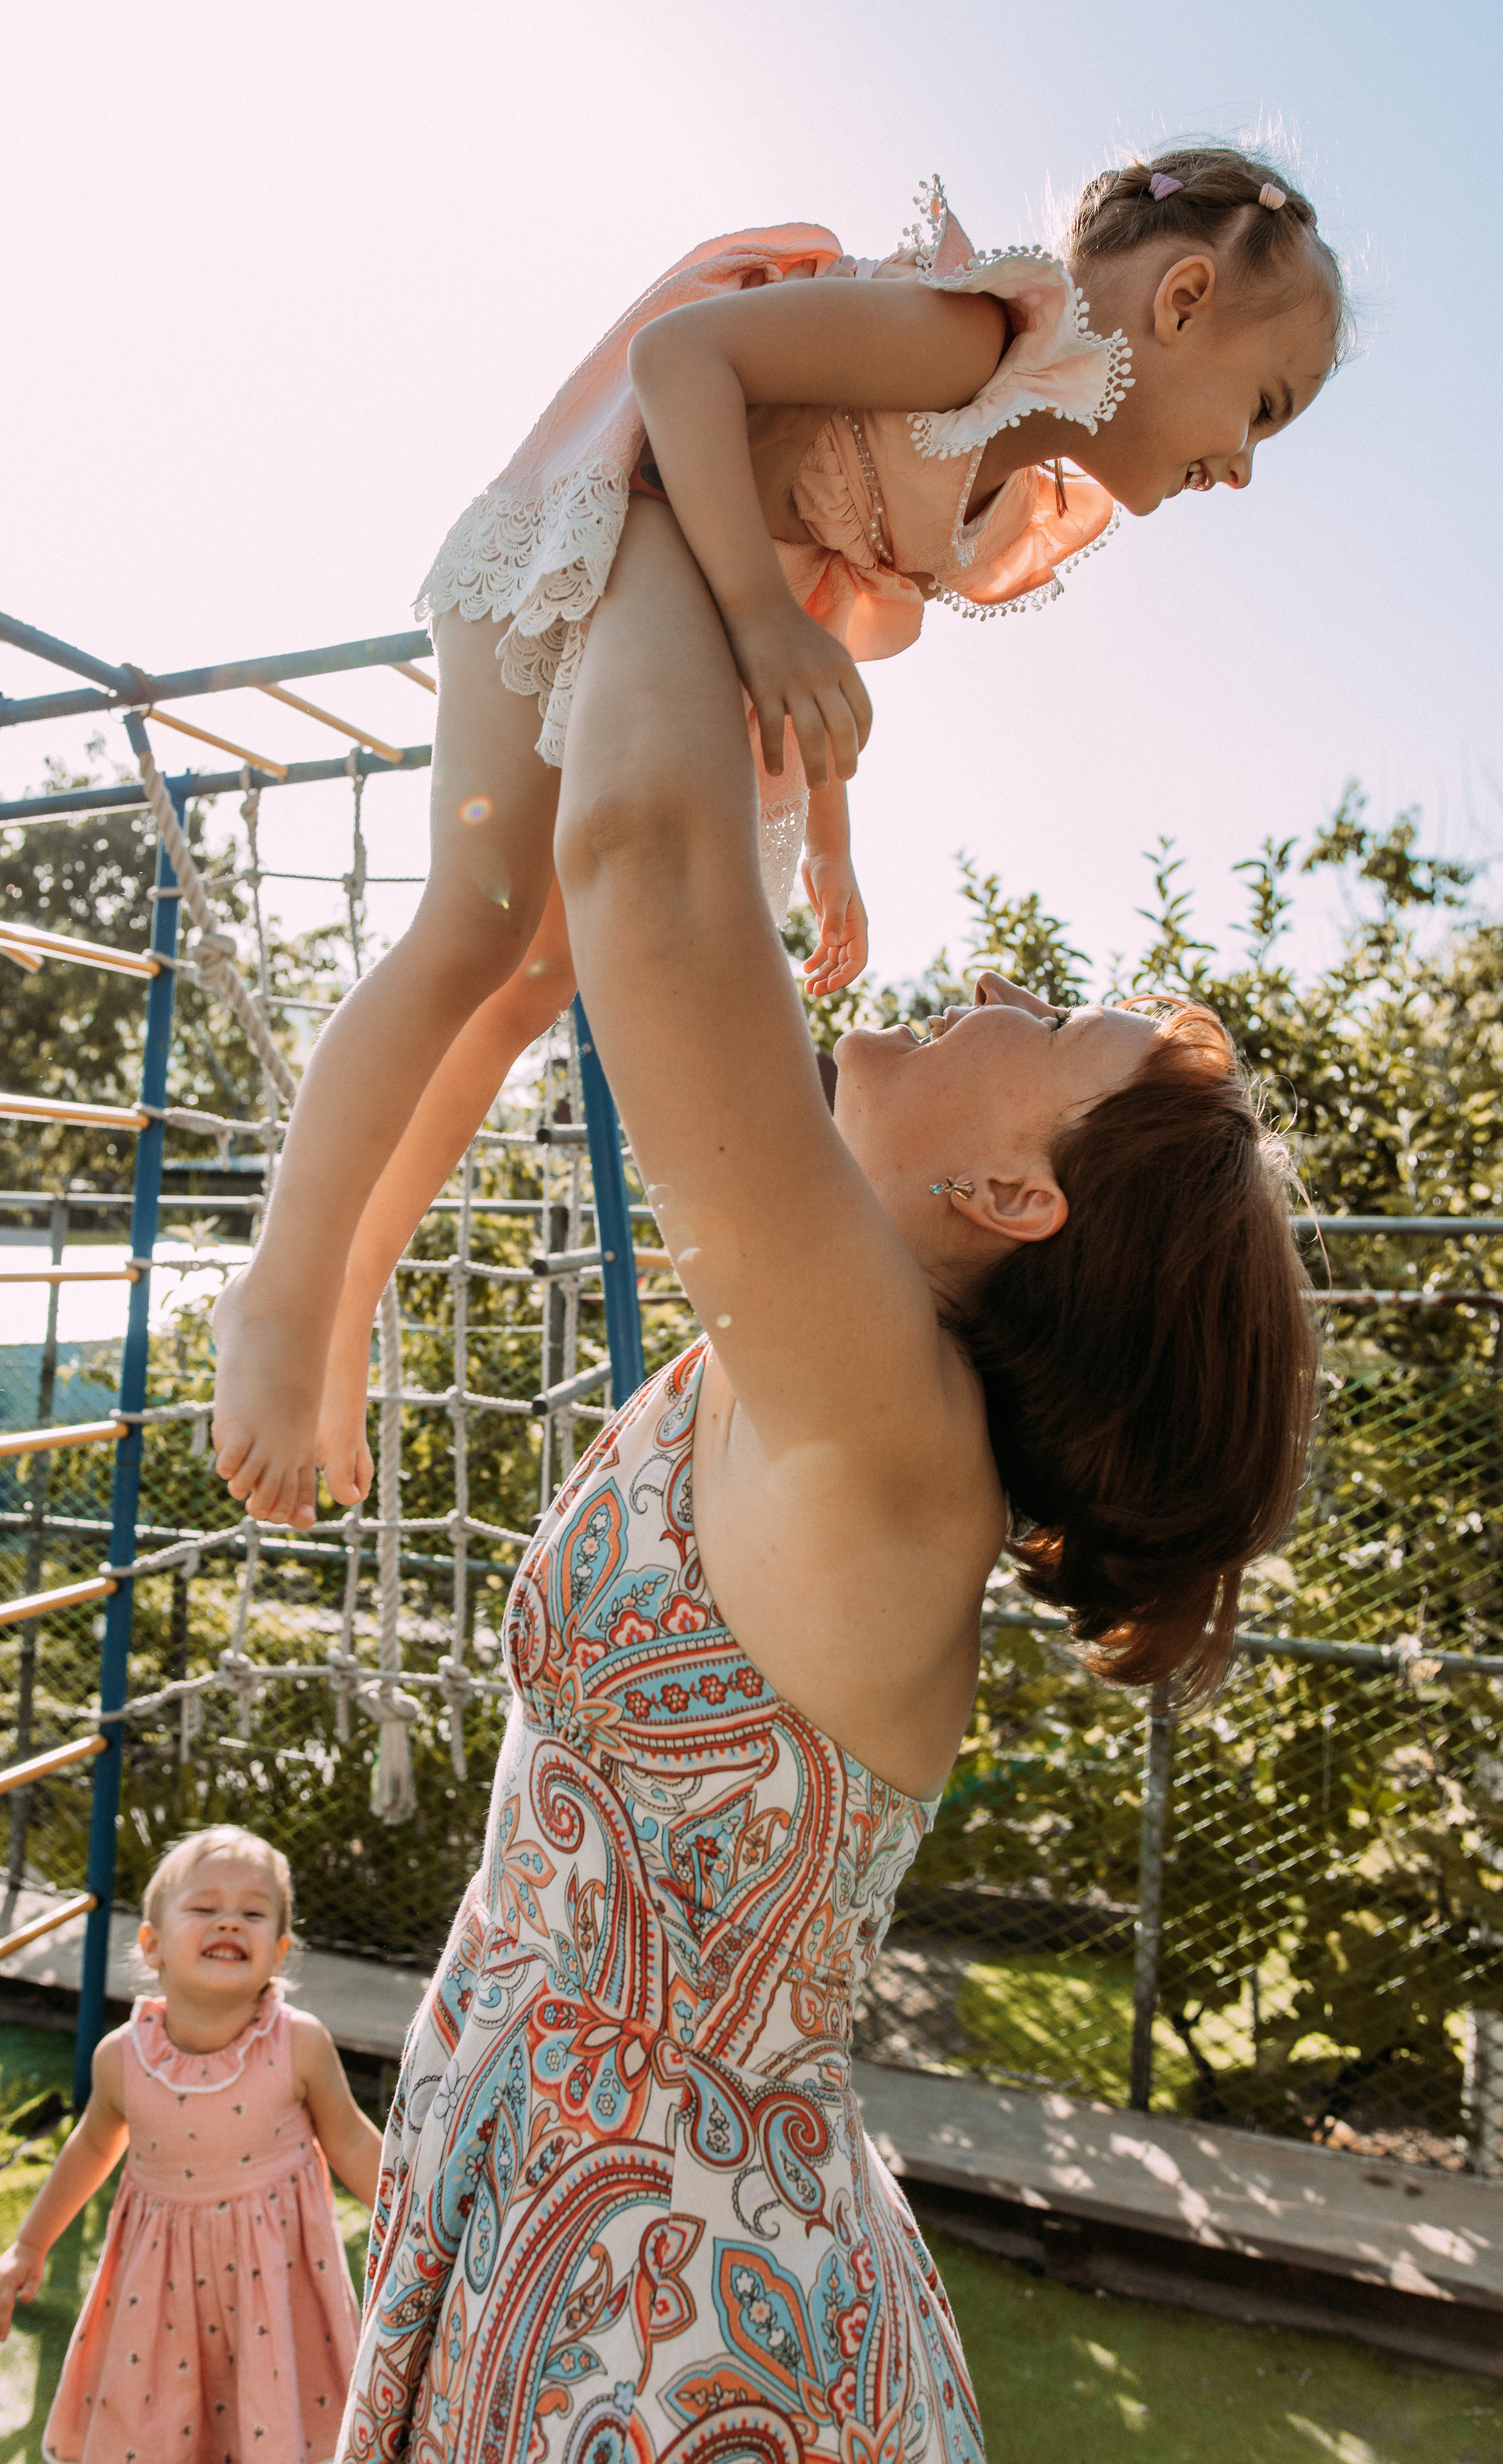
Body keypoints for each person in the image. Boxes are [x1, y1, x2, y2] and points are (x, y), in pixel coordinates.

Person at [333, 237, 1325, 2464]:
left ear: (1021, 1194)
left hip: (668, 2335)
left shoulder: (884, 1421)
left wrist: (719, 503)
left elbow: (655, 871)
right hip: (614, 2241)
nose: (984, 994)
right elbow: (694, 885)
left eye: (1036, 1027)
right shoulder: (846, 1379)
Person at [210, 142, 1347, 1533]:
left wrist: (828, 833)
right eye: (1264, 407)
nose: (1240, 465)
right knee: (474, 927)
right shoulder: (973, 335)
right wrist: (749, 620)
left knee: (522, 991)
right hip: (587, 527)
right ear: (1178, 303)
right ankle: (281, 1287)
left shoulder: (1000, 470)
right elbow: (685, 364)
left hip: (682, 598)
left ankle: (342, 1304)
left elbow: (820, 574)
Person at [0, 1825, 382, 2464]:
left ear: (279, 1951)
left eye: (253, 1913)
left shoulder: (299, 2044)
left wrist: (425, 2220)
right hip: (161, 2293)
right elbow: (91, 2147)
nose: (230, 1922)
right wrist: (28, 2245)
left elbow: (349, 2140)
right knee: (158, 2425)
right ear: (151, 1946)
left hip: (276, 2283)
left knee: (271, 2421)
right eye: (205, 1908)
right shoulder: (122, 2060)